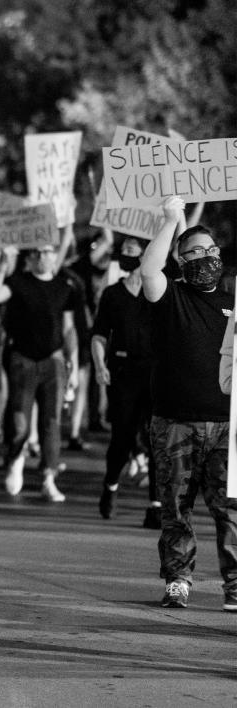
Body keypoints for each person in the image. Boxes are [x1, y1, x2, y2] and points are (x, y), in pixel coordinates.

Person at [140, 196, 235, 612]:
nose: (203, 258)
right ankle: (178, 579)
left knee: (229, 508)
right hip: (174, 421)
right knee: (177, 506)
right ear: (180, 261)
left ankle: (234, 585)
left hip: (227, 423)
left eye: (209, 251)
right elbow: (149, 269)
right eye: (192, 253)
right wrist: (169, 220)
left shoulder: (233, 297)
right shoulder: (169, 295)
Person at [0, 243, 78, 502]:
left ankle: (48, 477)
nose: (42, 256)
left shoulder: (64, 286)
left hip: (53, 361)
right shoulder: (17, 282)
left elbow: (69, 328)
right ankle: (15, 458)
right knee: (19, 420)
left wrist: (74, 362)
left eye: (48, 251)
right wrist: (3, 264)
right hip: (22, 359)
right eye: (37, 252)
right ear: (30, 257)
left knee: (52, 422)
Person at [91, 236, 159, 527]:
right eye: (124, 252)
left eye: (133, 252)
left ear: (146, 256)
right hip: (122, 371)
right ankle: (111, 486)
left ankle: (155, 504)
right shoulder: (112, 294)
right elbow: (98, 335)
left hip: (154, 372)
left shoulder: (158, 290)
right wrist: (98, 366)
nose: (126, 257)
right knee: (122, 437)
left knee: (157, 437)